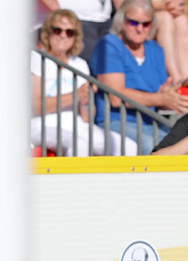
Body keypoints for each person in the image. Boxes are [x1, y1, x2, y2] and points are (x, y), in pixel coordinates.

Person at [91, 0, 188, 155]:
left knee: (186, 143)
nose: (140, 28)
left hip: (149, 121)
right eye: (133, 22)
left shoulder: (155, 49)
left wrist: (170, 97)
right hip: (114, 121)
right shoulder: (109, 45)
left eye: (145, 24)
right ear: (121, 20)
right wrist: (160, 98)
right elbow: (116, 96)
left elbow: (161, 94)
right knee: (152, 145)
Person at [30, 9, 138, 156]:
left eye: (69, 32)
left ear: (76, 37)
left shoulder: (80, 64)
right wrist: (75, 95)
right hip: (43, 124)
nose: (63, 35)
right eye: (57, 30)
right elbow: (37, 106)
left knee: (128, 146)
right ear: (48, 33)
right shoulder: (37, 58)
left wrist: (86, 101)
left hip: (77, 125)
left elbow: (87, 117)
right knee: (80, 144)